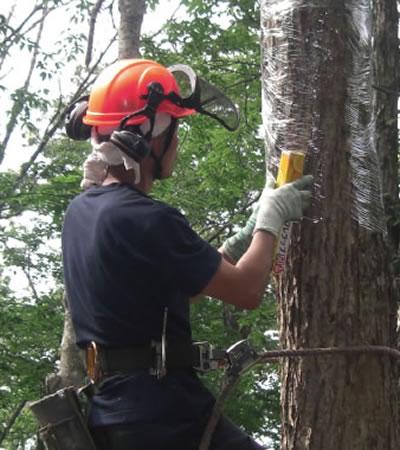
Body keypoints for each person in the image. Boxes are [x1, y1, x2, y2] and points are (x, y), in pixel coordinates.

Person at [62, 58, 313, 450]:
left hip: (114, 417)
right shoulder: (147, 218)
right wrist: (271, 219)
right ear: (150, 138)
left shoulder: (81, 213)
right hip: (166, 416)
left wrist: (242, 240)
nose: (177, 143)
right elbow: (247, 291)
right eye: (174, 130)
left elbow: (181, 289)